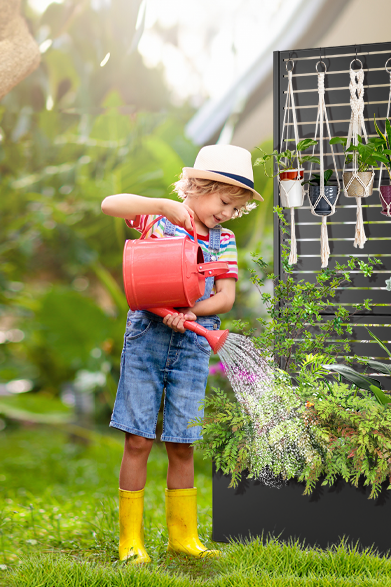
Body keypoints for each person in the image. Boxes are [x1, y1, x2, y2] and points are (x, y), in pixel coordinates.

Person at [100, 144, 261, 564]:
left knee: (182, 442)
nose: (227, 214)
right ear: (198, 187)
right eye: (224, 202)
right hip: (147, 339)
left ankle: (183, 537)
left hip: (192, 343)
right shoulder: (157, 219)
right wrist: (160, 205)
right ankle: (130, 541)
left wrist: (191, 312)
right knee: (138, 438)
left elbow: (225, 297)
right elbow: (109, 204)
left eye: (235, 208)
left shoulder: (224, 241)